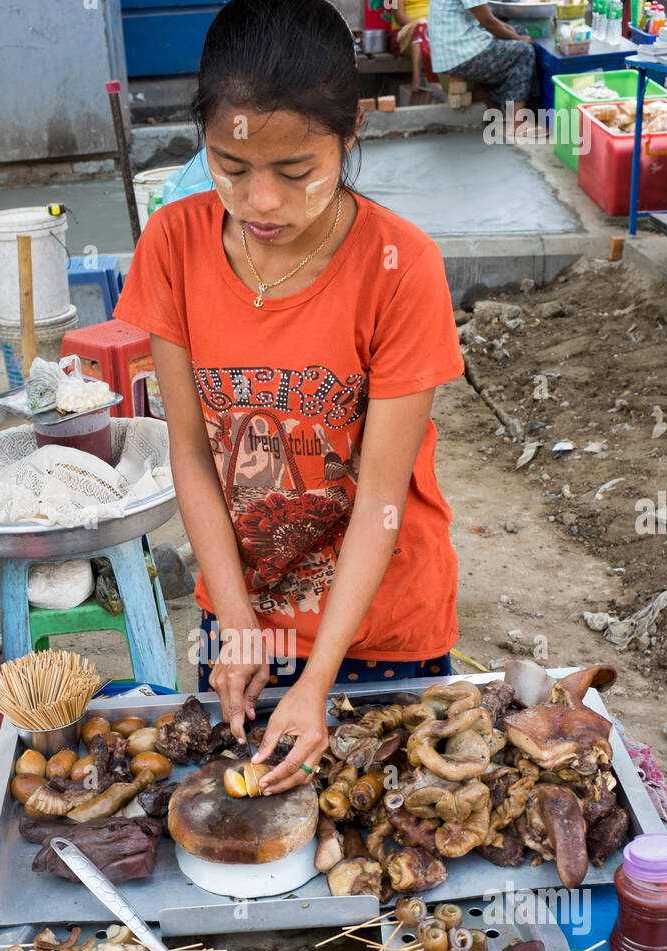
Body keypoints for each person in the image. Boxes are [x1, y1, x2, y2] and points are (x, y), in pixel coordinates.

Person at [114, 0, 464, 793]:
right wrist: (236, 621)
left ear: (350, 137)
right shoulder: (172, 244)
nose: (260, 202)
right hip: (238, 609)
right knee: (234, 827)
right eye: (230, 168)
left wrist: (315, 683)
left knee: (377, 835)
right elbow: (192, 454)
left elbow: (380, 495)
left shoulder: (402, 269)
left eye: (296, 171)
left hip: (378, 626)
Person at [427, 0, 539, 122]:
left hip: (451, 48)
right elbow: (487, 21)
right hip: (458, 51)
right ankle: (518, 122)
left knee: (520, 32)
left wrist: (512, 32)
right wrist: (517, 38)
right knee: (523, 52)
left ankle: (500, 102)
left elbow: (487, 19)